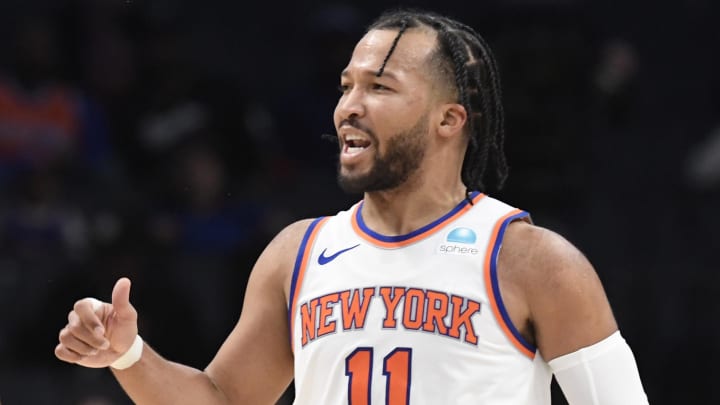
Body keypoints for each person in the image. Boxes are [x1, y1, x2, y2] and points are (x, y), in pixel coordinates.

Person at [55, 9, 649, 404]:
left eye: (380, 87)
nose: (349, 107)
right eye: (347, 86)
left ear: (450, 119)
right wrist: (127, 354)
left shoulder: (531, 261)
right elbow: (222, 400)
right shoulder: (299, 253)